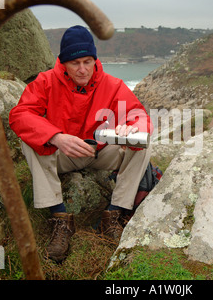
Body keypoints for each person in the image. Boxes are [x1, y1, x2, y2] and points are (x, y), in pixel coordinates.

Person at [9, 25, 153, 263]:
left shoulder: (113, 84)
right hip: (63, 155)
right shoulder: (45, 82)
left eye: (88, 61)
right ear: (63, 62)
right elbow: (20, 114)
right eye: (75, 63)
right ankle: (60, 218)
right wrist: (56, 137)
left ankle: (114, 213)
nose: (83, 69)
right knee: (30, 141)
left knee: (143, 142)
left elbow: (138, 114)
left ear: (95, 60)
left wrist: (132, 128)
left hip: (100, 153)